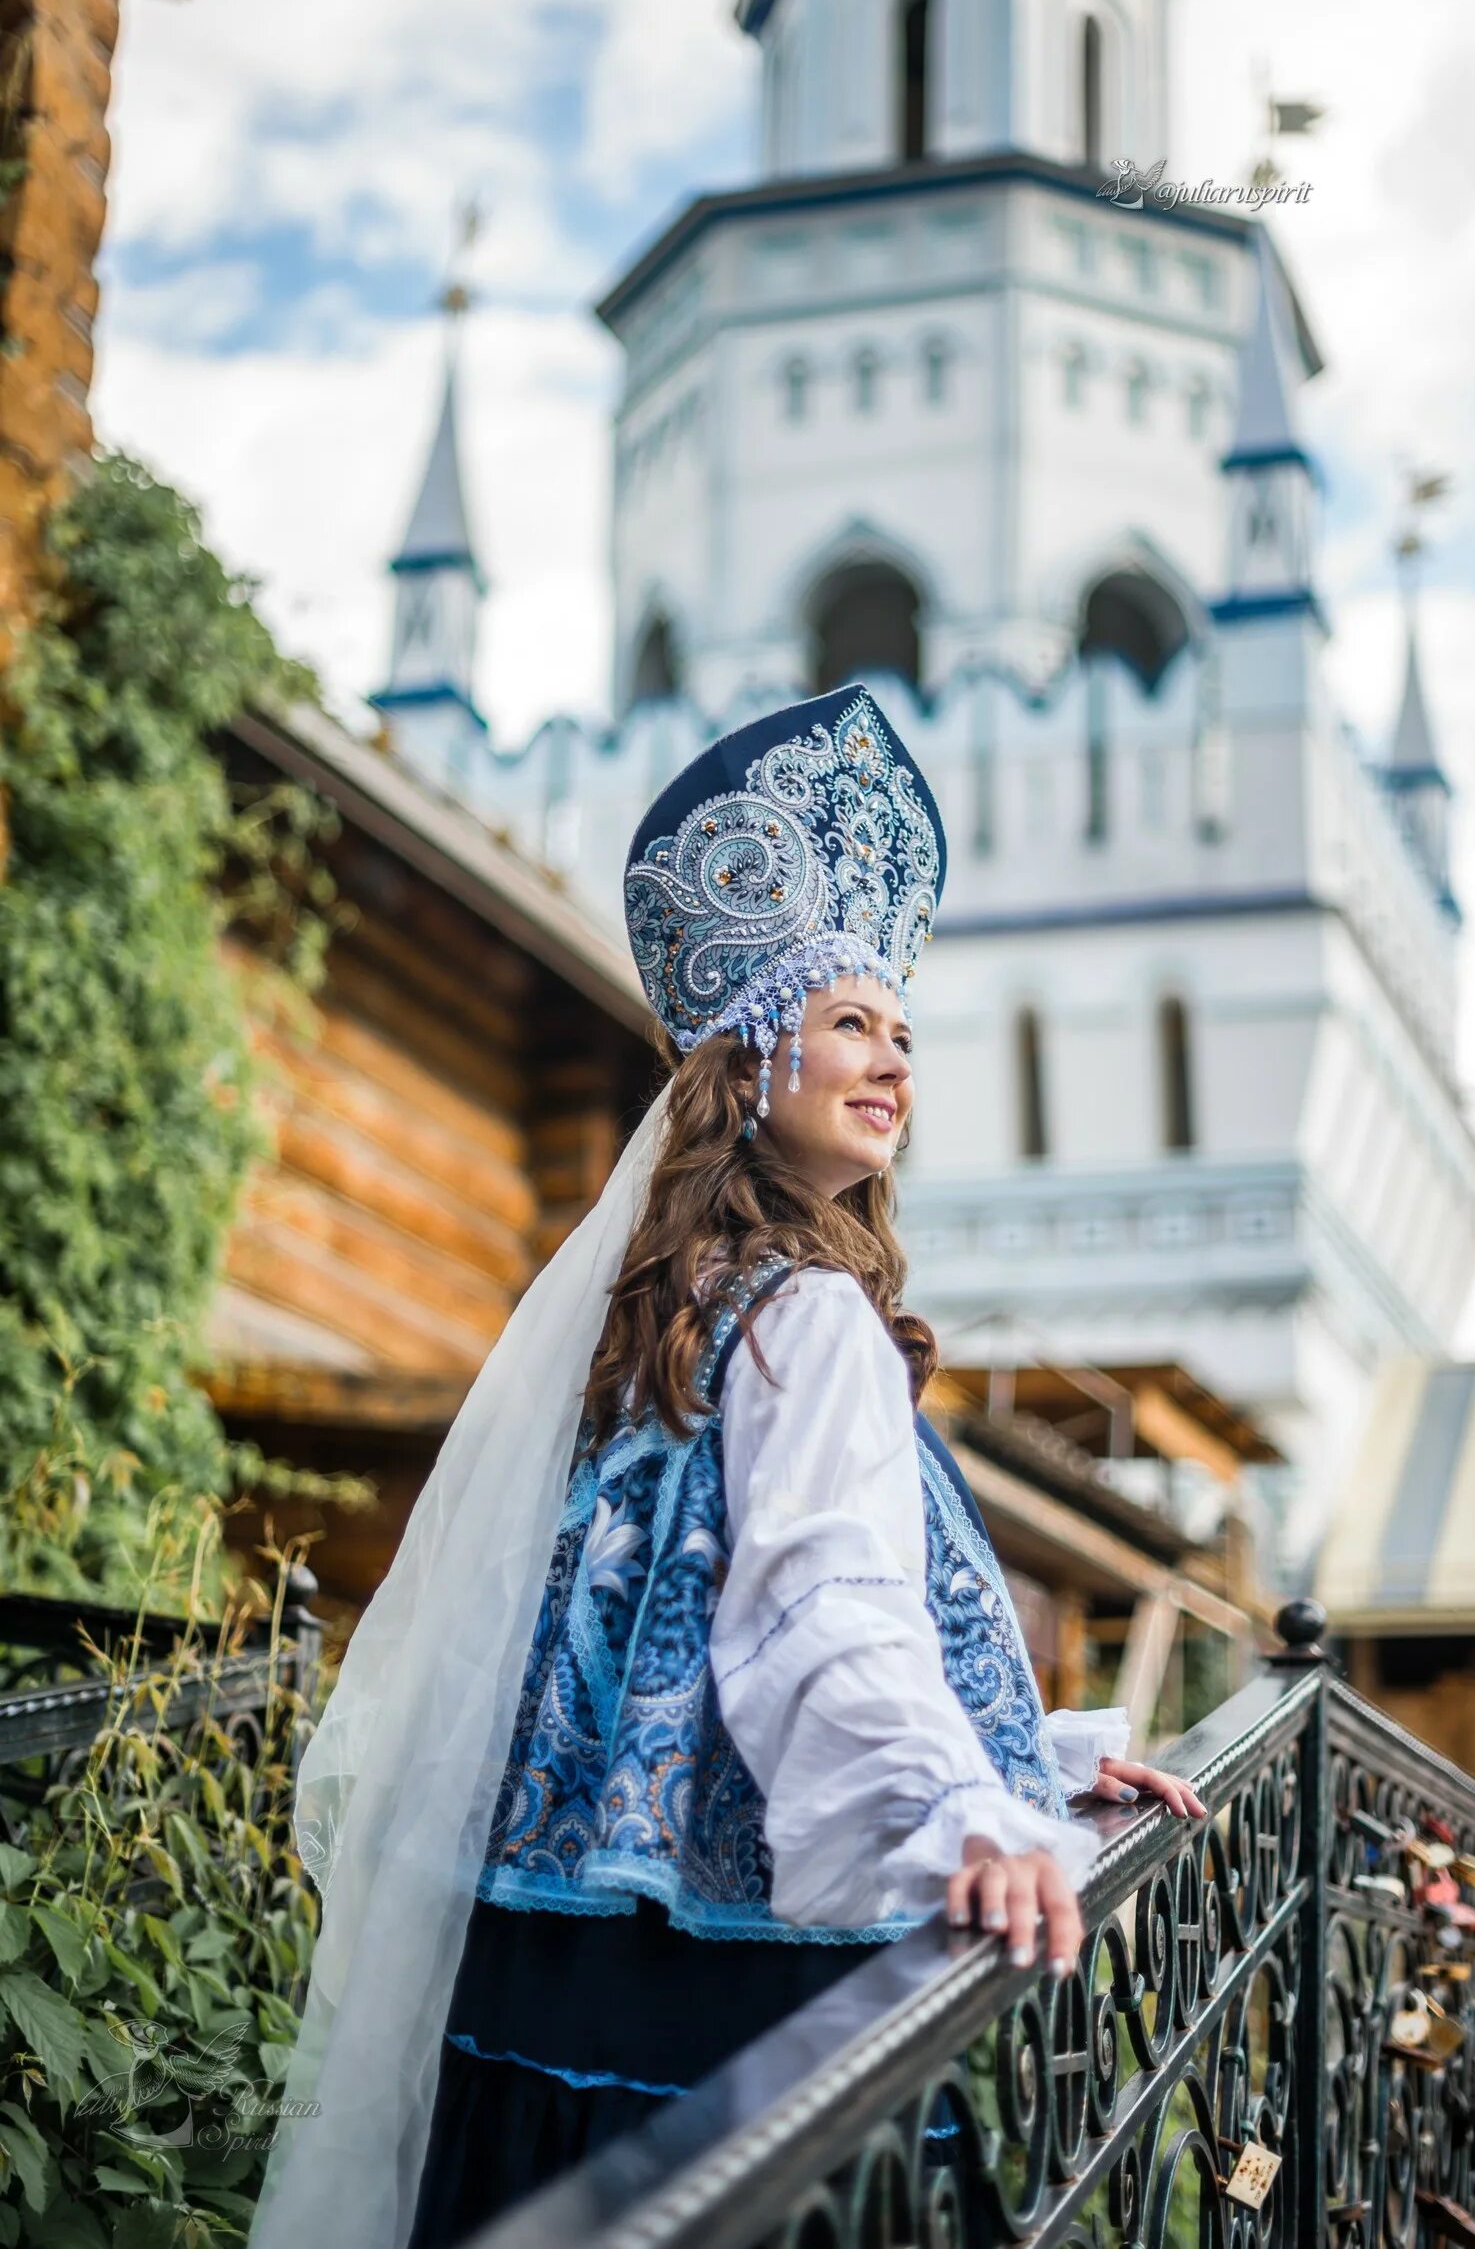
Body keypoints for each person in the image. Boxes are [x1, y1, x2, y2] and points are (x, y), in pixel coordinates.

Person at [251, 686, 1204, 2249]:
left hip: (556, 1956)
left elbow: (711, 1626)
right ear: (749, 1052)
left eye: (904, 1032)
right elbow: (822, 1602)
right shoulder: (809, 1315)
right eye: (850, 1022)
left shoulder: (675, 1319)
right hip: (723, 1983)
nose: (892, 1058)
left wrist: (1024, 1754)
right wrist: (971, 1814)